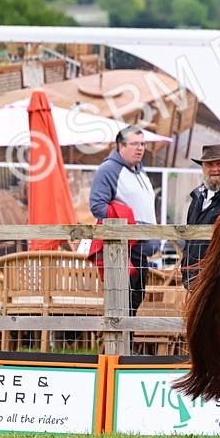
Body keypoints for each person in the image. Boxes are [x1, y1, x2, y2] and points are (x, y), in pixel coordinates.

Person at [89, 126, 161, 315]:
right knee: (123, 303)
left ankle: (125, 344)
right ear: (121, 146)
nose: (140, 148)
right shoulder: (108, 170)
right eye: (135, 144)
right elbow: (97, 206)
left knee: (135, 299)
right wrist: (128, 226)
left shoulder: (139, 170)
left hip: (141, 248)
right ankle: (122, 344)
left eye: (143, 144)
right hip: (124, 249)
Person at [182, 143, 220, 285]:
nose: (214, 169)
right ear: (202, 167)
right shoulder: (197, 198)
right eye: (209, 164)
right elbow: (189, 238)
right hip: (195, 279)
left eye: (219, 164)